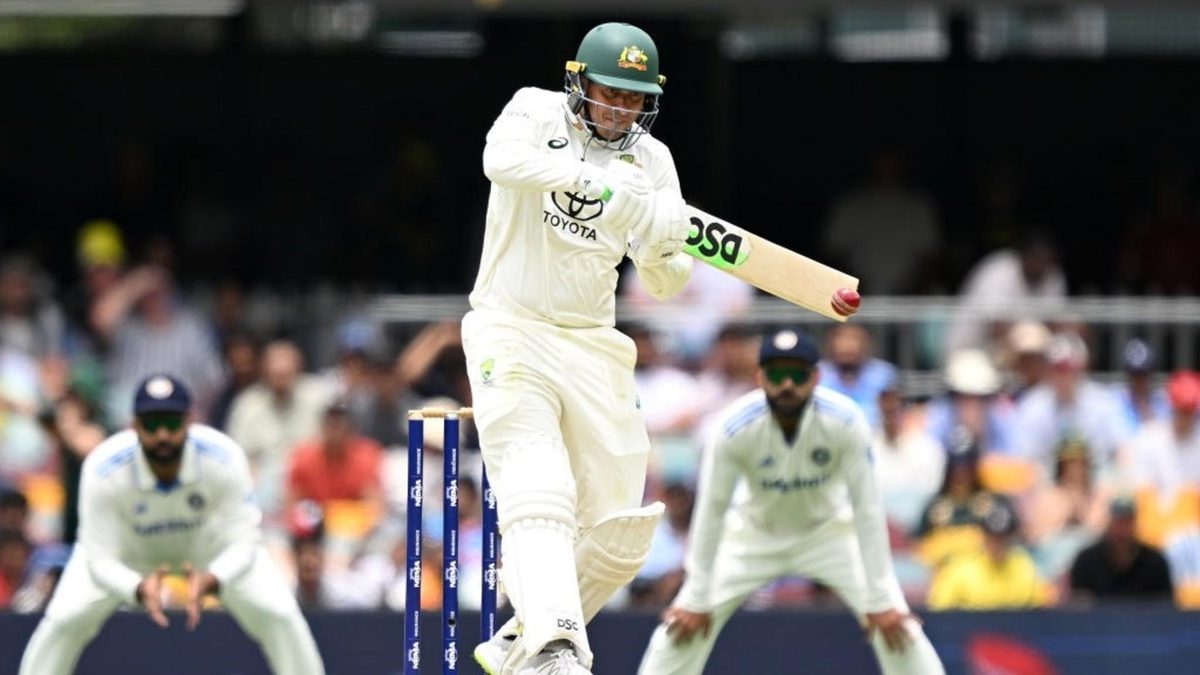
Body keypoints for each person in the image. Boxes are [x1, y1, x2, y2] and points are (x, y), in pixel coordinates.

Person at [465, 20, 861, 675]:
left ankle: (515, 643)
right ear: (579, 83)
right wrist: (606, 192)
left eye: (633, 96)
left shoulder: (654, 164)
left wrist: (661, 242)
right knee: (540, 487)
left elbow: (663, 277)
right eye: (609, 91)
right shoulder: (533, 111)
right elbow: (497, 162)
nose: (620, 107)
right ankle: (556, 648)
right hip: (512, 328)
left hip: (594, 345)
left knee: (624, 530)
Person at [637, 328, 941, 675]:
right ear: (760, 377)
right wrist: (696, 595)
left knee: (898, 626)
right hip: (753, 536)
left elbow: (868, 510)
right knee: (680, 628)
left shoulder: (846, 421)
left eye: (797, 375)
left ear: (815, 377)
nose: (787, 386)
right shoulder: (733, 427)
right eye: (777, 375)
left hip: (828, 534)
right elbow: (712, 510)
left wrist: (881, 597)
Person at [18, 374, 324, 675]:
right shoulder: (103, 467)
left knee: (281, 614)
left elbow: (244, 542)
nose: (162, 434)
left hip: (212, 557)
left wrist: (215, 578)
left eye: (172, 423)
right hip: (126, 559)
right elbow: (98, 557)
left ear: (189, 422)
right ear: (134, 426)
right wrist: (135, 588)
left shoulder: (224, 457)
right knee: (63, 620)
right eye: (151, 424)